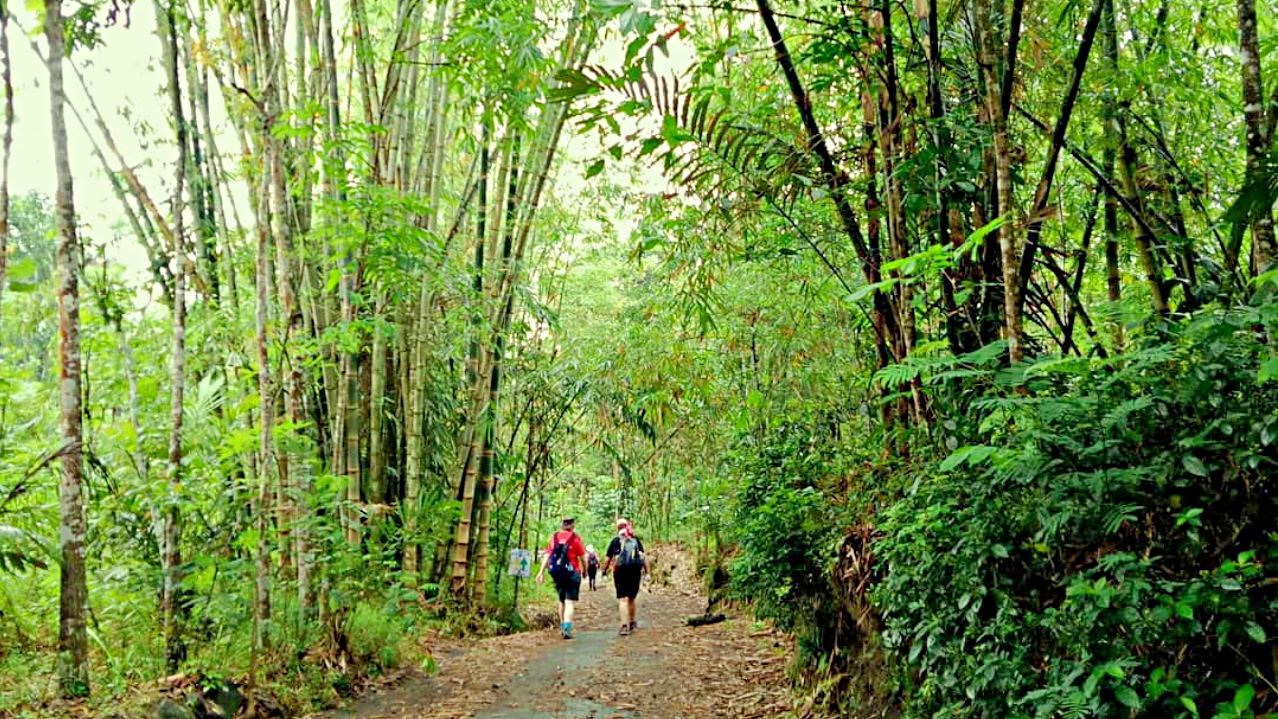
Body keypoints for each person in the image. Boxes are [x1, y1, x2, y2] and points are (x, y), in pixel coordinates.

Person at [535, 516, 587, 639]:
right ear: (572, 526)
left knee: (561, 600)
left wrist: (541, 571)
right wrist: (585, 571)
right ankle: (567, 629)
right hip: (572, 572)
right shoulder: (575, 538)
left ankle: (562, 626)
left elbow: (547, 555)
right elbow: (583, 558)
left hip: (557, 573)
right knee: (569, 601)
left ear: (562, 525)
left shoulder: (554, 538)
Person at [602, 517, 648, 636]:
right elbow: (643, 557)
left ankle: (624, 625)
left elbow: (608, 559)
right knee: (632, 597)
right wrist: (647, 572)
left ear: (617, 528)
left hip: (620, 572)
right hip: (634, 571)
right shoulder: (635, 540)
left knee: (623, 599)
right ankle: (632, 621)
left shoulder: (615, 541)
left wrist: (603, 571)